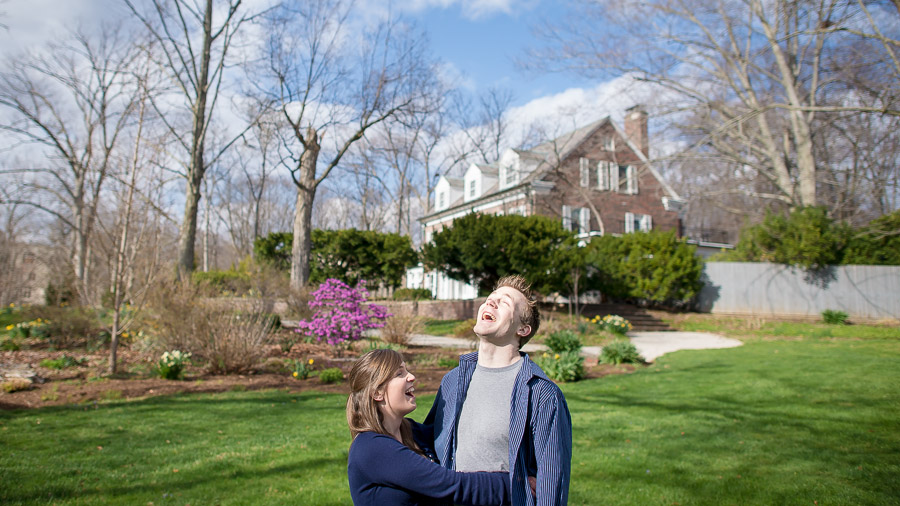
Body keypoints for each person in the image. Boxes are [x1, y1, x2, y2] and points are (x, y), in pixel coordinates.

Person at [424, 275, 572, 506]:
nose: (490, 303)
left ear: (523, 329)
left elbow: (552, 482)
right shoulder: (452, 381)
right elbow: (430, 442)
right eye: (490, 298)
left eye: (504, 302)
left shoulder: (542, 395)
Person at [347, 348, 512, 506]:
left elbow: (456, 436)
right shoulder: (371, 448)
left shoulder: (413, 433)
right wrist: (517, 485)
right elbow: (450, 485)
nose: (411, 377)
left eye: (406, 370)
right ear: (377, 393)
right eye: (399, 374)